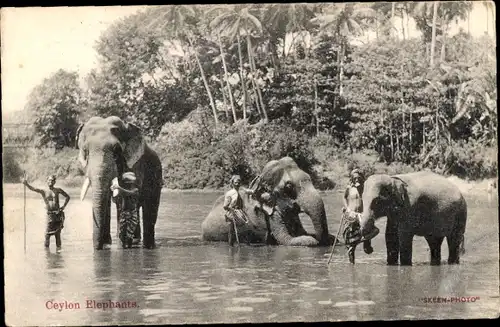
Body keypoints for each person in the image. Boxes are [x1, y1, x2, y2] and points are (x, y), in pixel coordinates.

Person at [22, 175, 70, 251]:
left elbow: (68, 197)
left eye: (52, 180)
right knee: (47, 235)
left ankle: (58, 253)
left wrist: (63, 206)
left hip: (58, 214)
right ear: (47, 181)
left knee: (57, 234)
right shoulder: (43, 191)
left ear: (55, 182)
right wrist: (26, 184)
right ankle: (47, 254)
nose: (51, 182)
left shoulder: (58, 190)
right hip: (50, 215)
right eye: (49, 180)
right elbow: (33, 189)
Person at [341, 168, 377, 263]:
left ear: (362, 178)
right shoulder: (349, 188)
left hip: (362, 215)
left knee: (374, 231)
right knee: (350, 244)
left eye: (359, 178)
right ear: (352, 179)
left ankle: (364, 242)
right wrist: (346, 208)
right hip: (351, 215)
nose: (357, 180)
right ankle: (352, 265)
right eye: (355, 178)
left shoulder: (365, 188)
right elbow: (344, 198)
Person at [223, 175, 255, 246]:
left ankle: (246, 245)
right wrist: (231, 209)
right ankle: (231, 247)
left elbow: (250, 191)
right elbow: (225, 206)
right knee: (231, 231)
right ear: (232, 183)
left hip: (239, 212)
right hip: (231, 213)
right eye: (236, 182)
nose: (237, 184)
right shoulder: (229, 193)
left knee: (247, 227)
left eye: (239, 182)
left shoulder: (241, 190)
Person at [111, 172, 140, 249]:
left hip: (132, 214)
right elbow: (115, 200)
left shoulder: (135, 190)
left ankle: (128, 249)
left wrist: (119, 188)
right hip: (123, 213)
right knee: (122, 234)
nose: (130, 185)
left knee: (129, 234)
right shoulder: (123, 191)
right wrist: (114, 191)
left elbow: (129, 193)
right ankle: (125, 252)